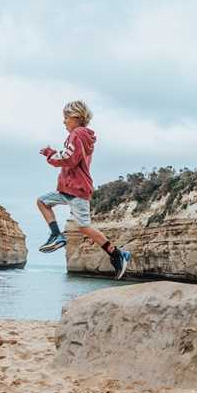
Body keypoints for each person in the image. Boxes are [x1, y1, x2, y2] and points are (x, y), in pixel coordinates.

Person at [36, 99, 131, 279]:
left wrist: (50, 154)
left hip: (76, 189)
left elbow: (69, 158)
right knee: (42, 201)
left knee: (84, 227)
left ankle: (117, 254)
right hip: (70, 188)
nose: (63, 121)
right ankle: (57, 235)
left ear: (76, 117)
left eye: (66, 118)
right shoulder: (81, 136)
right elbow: (71, 156)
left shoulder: (77, 134)